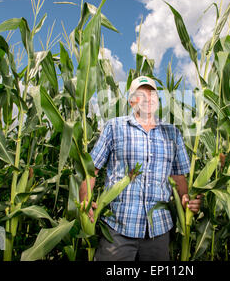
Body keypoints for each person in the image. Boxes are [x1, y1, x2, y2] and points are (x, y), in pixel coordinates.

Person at [79, 76, 202, 261]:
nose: (148, 98)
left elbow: (178, 178)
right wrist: (85, 200)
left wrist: (185, 200)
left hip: (158, 231)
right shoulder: (114, 127)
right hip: (118, 228)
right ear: (131, 101)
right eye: (141, 94)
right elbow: (91, 170)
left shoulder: (173, 134)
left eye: (152, 93)